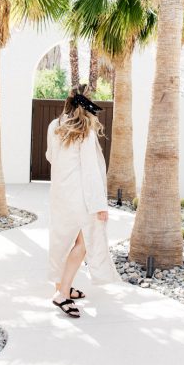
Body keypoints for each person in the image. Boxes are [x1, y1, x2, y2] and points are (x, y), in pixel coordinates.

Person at [45, 84, 120, 318]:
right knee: (84, 243)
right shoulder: (85, 132)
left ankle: (62, 285)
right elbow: (91, 171)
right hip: (82, 196)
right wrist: (100, 205)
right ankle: (62, 295)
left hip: (60, 193)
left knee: (64, 240)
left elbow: (50, 157)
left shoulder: (54, 126)